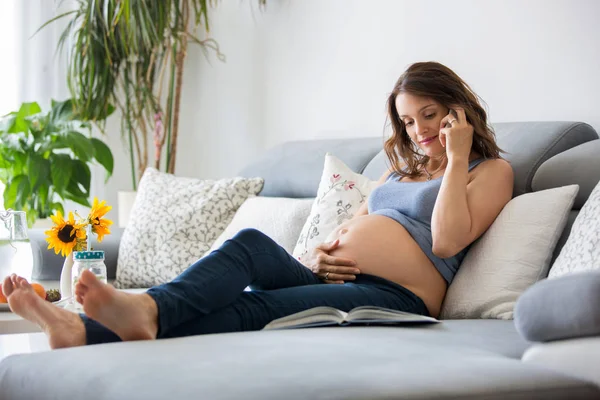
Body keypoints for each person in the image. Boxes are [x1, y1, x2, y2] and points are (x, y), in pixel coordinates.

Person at [3, 61, 513, 349]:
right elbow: (355, 225)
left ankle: (92, 328)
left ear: (456, 110)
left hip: (397, 297)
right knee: (249, 245)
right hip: (333, 274)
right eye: (407, 121)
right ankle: (130, 313)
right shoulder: (399, 170)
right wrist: (315, 257)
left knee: (256, 309)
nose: (419, 131)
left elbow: (446, 240)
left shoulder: (488, 170)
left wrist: (457, 152)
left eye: (429, 115)